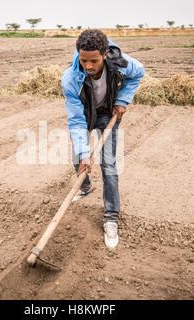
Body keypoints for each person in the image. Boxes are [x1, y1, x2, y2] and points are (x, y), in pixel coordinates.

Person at [61, 29, 145, 248]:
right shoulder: (71, 78)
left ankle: (111, 218)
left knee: (108, 165)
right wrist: (84, 154)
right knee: (78, 159)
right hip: (85, 116)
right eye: (83, 60)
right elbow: (76, 121)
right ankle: (85, 186)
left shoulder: (121, 63)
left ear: (105, 54)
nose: (88, 66)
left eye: (94, 61)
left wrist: (123, 100)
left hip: (108, 112)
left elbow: (139, 73)